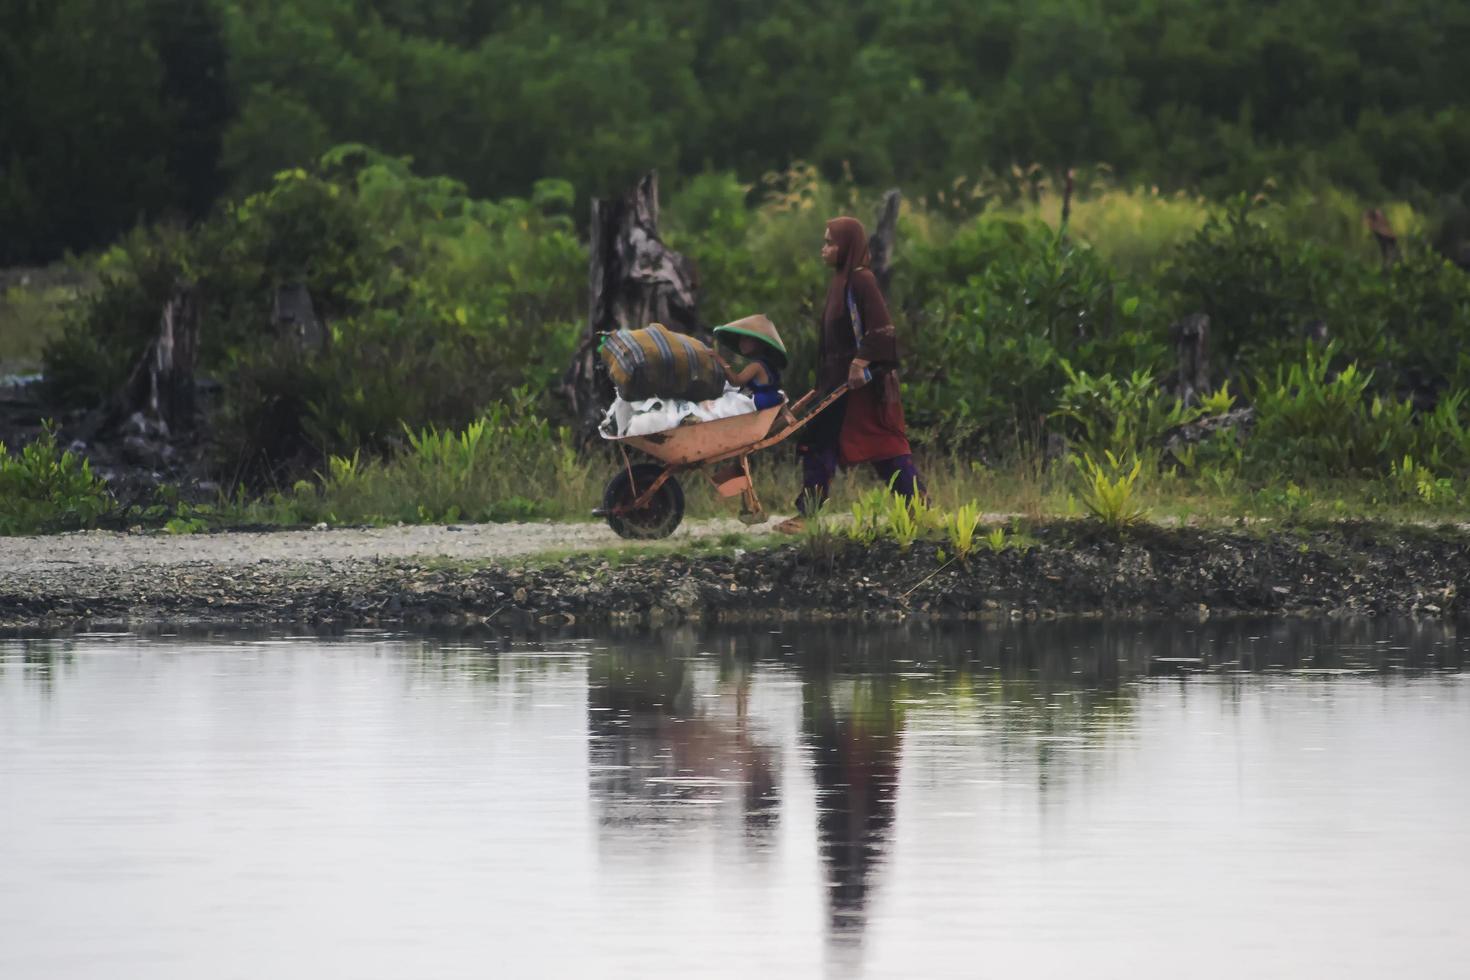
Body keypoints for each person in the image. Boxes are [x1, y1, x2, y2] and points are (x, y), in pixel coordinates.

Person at [779, 216, 923, 532]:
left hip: (864, 388)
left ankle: (917, 510)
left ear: (847, 247)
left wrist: (860, 363)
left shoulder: (861, 280)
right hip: (837, 385)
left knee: (886, 450)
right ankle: (808, 515)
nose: (824, 249)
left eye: (830, 243)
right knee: (818, 445)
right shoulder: (840, 282)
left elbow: (883, 330)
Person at [713, 313, 787, 410]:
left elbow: (736, 381)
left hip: (762, 403)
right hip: (770, 400)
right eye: (740, 339)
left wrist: (720, 361)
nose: (741, 342)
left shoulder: (757, 365)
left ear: (760, 342)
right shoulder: (766, 363)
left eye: (746, 338)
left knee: (720, 404)